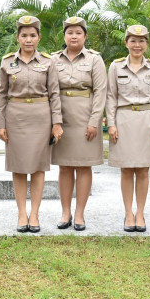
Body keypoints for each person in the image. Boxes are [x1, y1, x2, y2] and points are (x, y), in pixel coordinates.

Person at [0, 15, 63, 233]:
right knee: (18, 166)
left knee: (38, 166)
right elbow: (1, 94)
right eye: (24, 35)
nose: (28, 40)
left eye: (32, 35)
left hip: (41, 117)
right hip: (15, 117)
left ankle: (34, 214)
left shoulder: (48, 62)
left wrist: (57, 123)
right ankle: (22, 214)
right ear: (18, 38)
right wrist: (0, 124)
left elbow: (55, 94)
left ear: (39, 37)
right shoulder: (7, 62)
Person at [106, 24, 150, 233]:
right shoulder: (116, 67)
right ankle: (128, 213)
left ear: (147, 44)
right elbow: (111, 97)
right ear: (126, 43)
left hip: (147, 121)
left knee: (143, 170)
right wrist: (111, 124)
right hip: (123, 120)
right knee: (125, 169)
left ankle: (140, 213)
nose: (137, 45)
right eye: (133, 40)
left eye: (142, 41)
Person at [51, 16, 107, 231]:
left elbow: (100, 91)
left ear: (85, 36)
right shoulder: (54, 59)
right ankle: (65, 213)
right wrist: (54, 121)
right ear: (64, 36)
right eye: (70, 32)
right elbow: (50, 90)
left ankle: (80, 214)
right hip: (62, 117)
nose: (74, 36)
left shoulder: (94, 59)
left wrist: (94, 121)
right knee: (65, 166)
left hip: (86, 118)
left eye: (78, 33)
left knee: (84, 166)